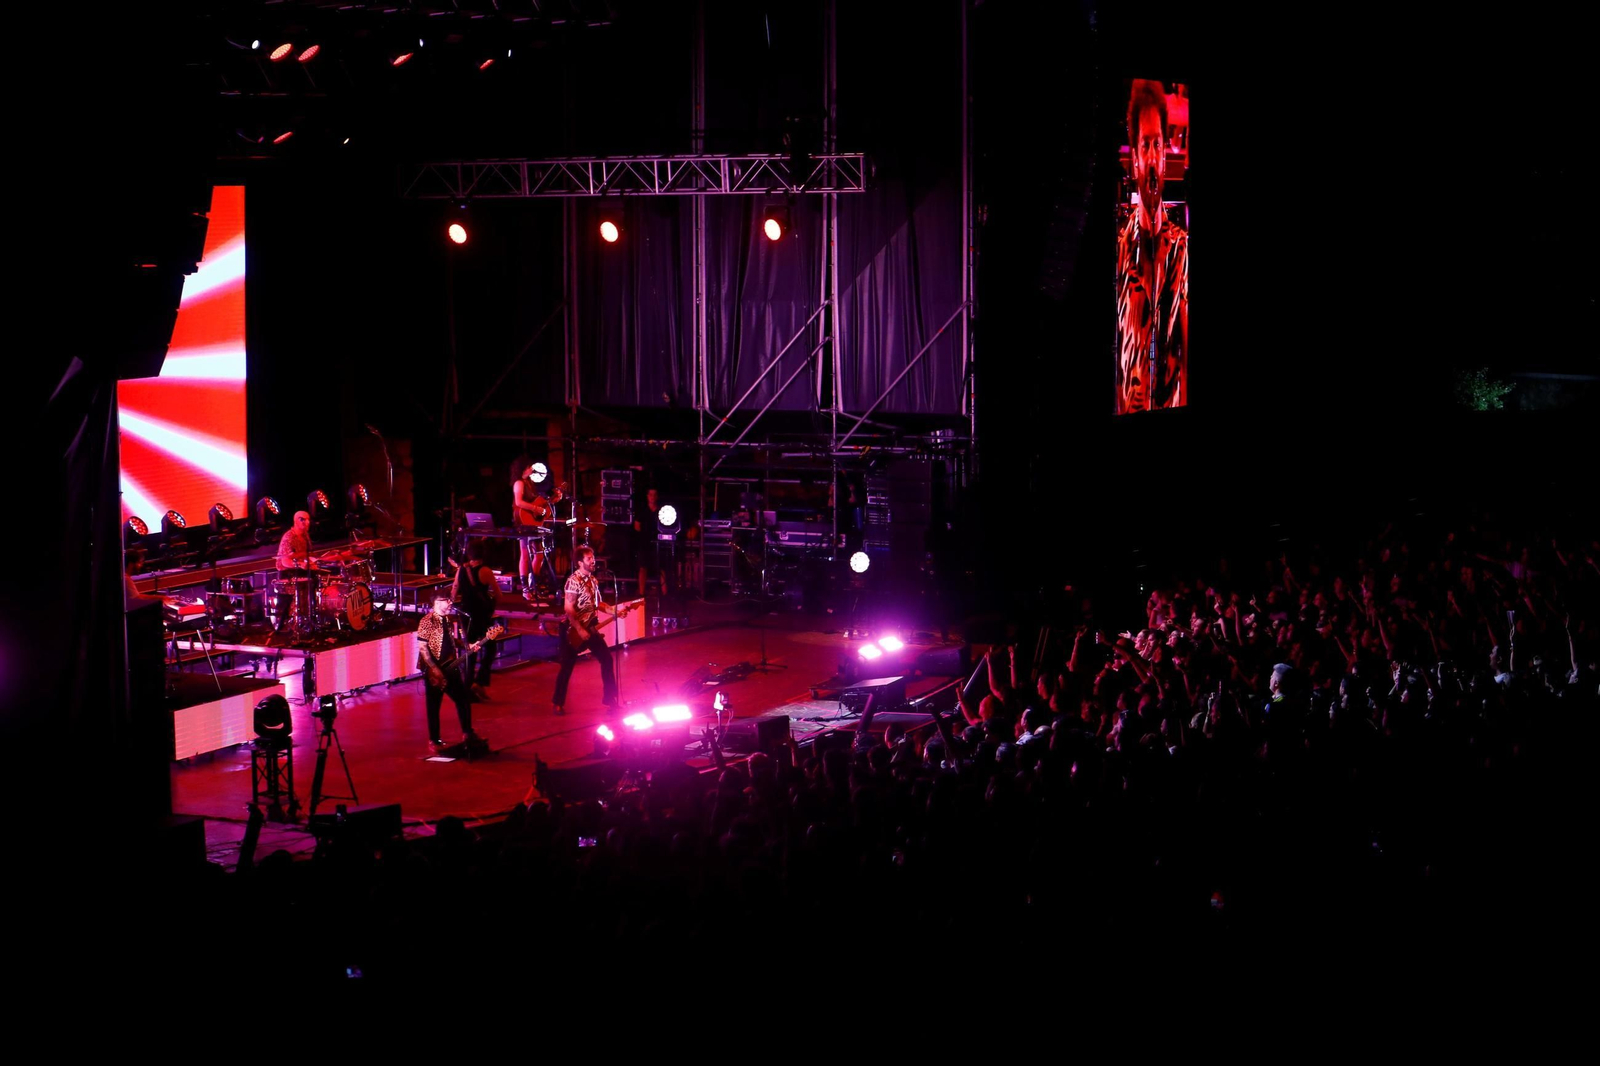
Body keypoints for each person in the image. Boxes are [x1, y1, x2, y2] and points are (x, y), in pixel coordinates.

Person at [1115, 78, 1189, 415]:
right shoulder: (1118, 252)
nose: (1152, 156)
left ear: (1164, 159)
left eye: (1157, 144)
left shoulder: (1183, 250)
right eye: (1144, 145)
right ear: (1134, 163)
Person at [551, 545, 619, 717]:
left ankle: (611, 700)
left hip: (590, 627)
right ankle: (557, 703)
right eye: (589, 558)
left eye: (593, 557)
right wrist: (579, 629)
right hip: (573, 630)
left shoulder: (593, 581)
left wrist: (614, 611)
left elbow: (599, 604)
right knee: (567, 666)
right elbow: (569, 609)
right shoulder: (573, 581)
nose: (593, 560)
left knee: (607, 660)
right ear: (580, 562)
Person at [416, 595, 477, 750]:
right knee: (434, 705)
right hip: (434, 670)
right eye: (446, 600)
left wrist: (467, 645)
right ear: (436, 603)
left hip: (451, 666)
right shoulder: (427, 621)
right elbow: (423, 647)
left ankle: (468, 733)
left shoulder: (448, 620)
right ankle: (434, 741)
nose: (450, 603)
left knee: (462, 699)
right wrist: (434, 668)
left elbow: (450, 641)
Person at [451, 537, 500, 701]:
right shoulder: (486, 571)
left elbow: (454, 591)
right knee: (491, 648)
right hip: (483, 616)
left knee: (470, 651)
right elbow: (498, 594)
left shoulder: (461, 570)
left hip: (467, 616)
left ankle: (467, 689)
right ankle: (479, 682)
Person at [510, 455, 562, 603]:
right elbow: (519, 502)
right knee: (525, 553)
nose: (531, 469)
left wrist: (554, 500)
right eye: (529, 467)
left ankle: (533, 585)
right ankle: (525, 588)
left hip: (534, 524)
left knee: (539, 555)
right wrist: (536, 508)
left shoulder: (530, 484)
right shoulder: (519, 483)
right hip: (523, 522)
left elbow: (540, 504)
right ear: (522, 469)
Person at [273, 510, 321, 630]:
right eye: (302, 519)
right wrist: (301, 564)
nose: (307, 522)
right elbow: (285, 562)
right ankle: (293, 621)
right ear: (295, 521)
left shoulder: (305, 536)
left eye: (308, 519)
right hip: (287, 574)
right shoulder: (288, 537)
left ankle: (310, 618)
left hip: (299, 571)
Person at [633, 486, 670, 597]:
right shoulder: (642, 510)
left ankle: (665, 592)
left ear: (657, 496)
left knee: (662, 567)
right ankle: (641, 593)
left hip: (659, 543)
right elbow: (637, 526)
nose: (652, 497)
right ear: (647, 496)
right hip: (645, 543)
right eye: (650, 494)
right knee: (643, 567)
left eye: (655, 495)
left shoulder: (662, 511)